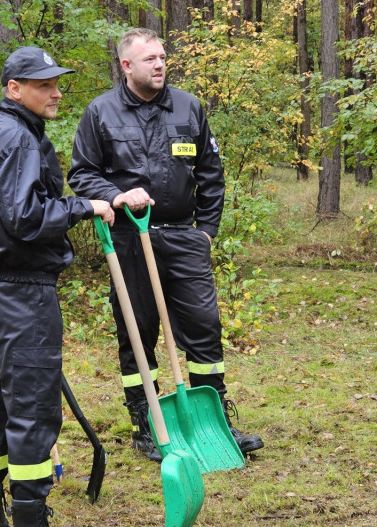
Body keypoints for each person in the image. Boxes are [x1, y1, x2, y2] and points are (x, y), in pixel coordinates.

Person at [68, 28, 264, 462]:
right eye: (149, 59)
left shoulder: (188, 107)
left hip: (182, 235)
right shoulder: (100, 113)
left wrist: (205, 233)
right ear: (126, 66)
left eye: (162, 57)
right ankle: (146, 421)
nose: (159, 65)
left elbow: (211, 174)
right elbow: (81, 174)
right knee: (137, 331)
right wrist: (115, 195)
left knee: (203, 326)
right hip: (128, 238)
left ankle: (215, 418)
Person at [0, 46, 114, 527]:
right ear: (15, 88)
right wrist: (83, 206)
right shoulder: (18, 138)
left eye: (57, 82)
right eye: (44, 84)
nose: (57, 91)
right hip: (20, 291)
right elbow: (25, 218)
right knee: (30, 410)